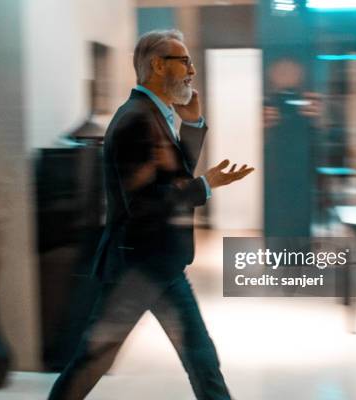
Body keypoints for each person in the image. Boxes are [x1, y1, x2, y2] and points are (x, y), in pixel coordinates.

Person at [47, 29, 253, 400]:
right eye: (184, 60)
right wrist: (205, 186)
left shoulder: (153, 115)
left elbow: (173, 177)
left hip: (158, 263)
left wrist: (192, 124)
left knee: (200, 358)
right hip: (137, 267)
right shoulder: (135, 120)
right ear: (158, 65)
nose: (192, 69)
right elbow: (144, 204)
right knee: (95, 359)